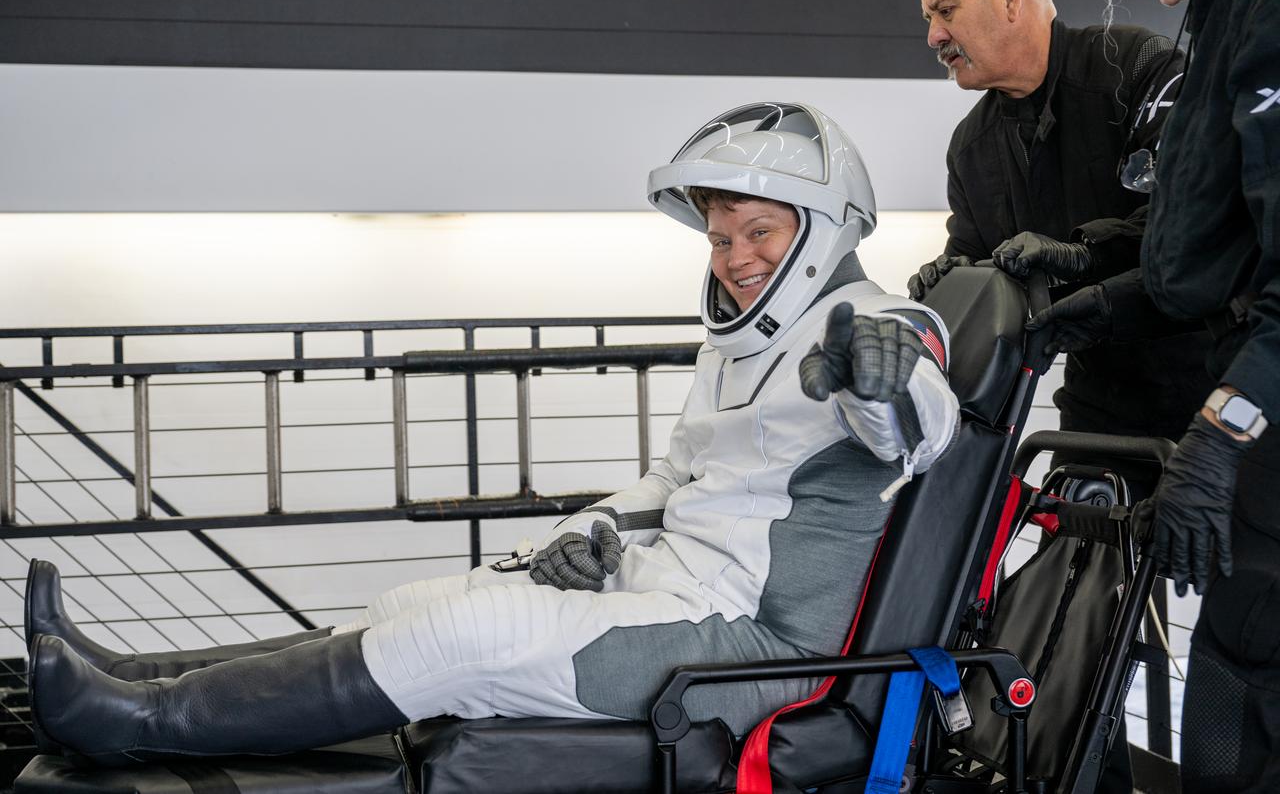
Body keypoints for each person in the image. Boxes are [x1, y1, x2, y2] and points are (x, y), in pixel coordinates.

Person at [26, 102, 961, 763]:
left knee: (454, 643)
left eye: (758, 232)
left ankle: (132, 724)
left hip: (753, 647)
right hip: (672, 590)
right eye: (720, 239)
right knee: (408, 611)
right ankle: (133, 676)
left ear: (823, 229)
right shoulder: (742, 343)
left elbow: (917, 429)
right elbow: (673, 477)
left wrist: (877, 380)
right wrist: (586, 532)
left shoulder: (883, 326)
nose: (737, 259)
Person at [1042, 0, 1279, 791]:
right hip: (1252, 398)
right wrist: (1099, 290)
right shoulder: (1224, 2)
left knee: (1245, 680)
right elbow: (1214, 240)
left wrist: (1219, 437)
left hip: (1259, 408)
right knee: (1230, 672)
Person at [907, 0, 1213, 468]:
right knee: (1068, 551)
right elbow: (978, 260)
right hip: (1096, 414)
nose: (933, 35)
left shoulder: (1140, 68)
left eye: (945, 11)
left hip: (1208, 397)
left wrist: (1085, 254)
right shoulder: (971, 148)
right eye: (930, 17)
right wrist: (948, 285)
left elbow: (1191, 222)